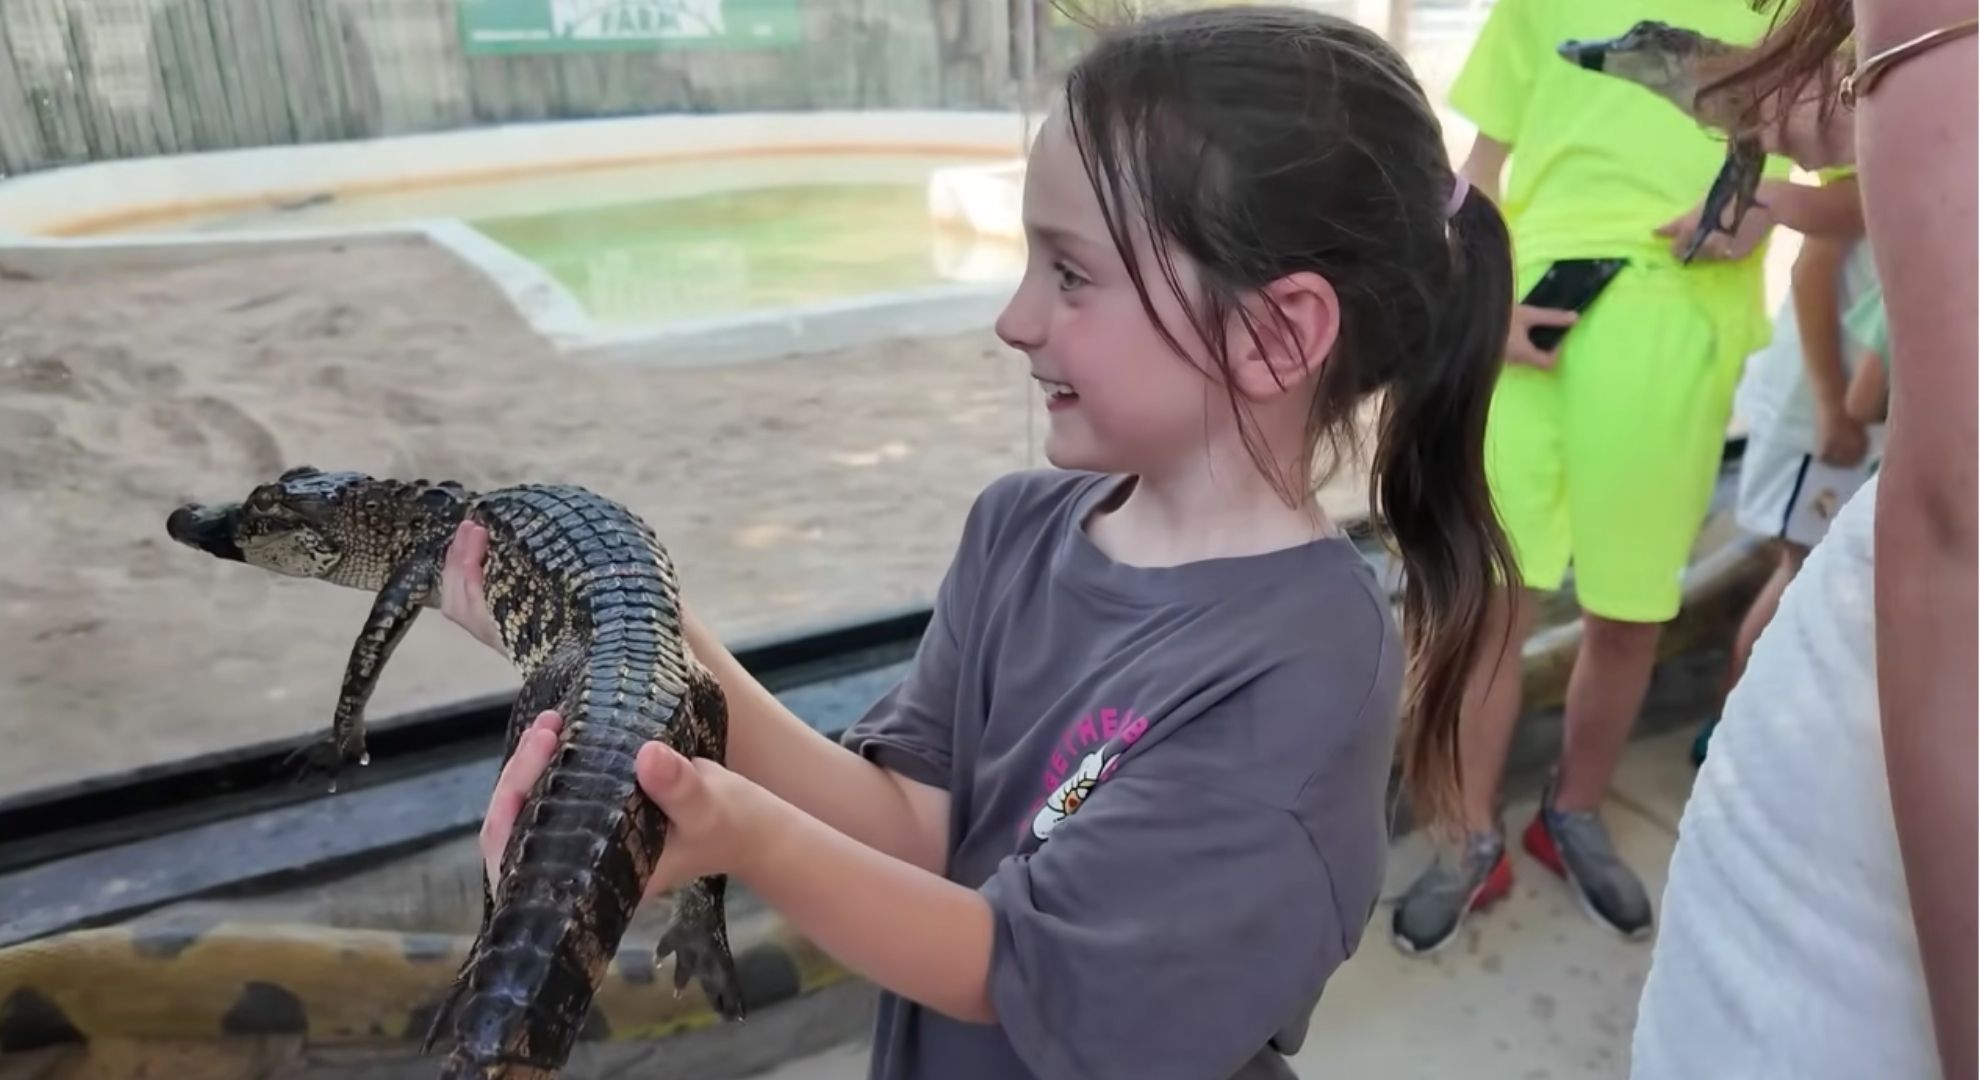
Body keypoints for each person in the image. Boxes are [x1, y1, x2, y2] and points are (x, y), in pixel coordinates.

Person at [439, 7, 1522, 1078]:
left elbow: (1025, 962)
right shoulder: (1016, 530)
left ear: (1272, 334)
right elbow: (914, 828)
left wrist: (743, 833)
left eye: (1071, 274)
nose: (1014, 318)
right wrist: (662, 641)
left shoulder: (1308, 666)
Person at [1390, 0, 1796, 954]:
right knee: (1493, 598)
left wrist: (1768, 212)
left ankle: (1569, 812)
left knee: (1629, 608)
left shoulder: (1789, 15)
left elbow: (1872, 173)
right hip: (1528, 327)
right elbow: (1477, 177)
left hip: (1674, 329)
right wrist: (1474, 308)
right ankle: (1465, 839)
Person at [1629, 0, 1975, 1075]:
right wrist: (1838, 401)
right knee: (1783, 570)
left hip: (1849, 451)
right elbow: (1949, 504)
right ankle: (1721, 719)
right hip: (1825, 443)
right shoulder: (1863, 165)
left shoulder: (1840, 183)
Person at [1690, 169, 1882, 766]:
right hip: (1821, 418)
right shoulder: (1877, 165)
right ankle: (1728, 737)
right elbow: (1810, 270)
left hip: (1859, 416)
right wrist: (1831, 407)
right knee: (1803, 581)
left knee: (1821, 586)